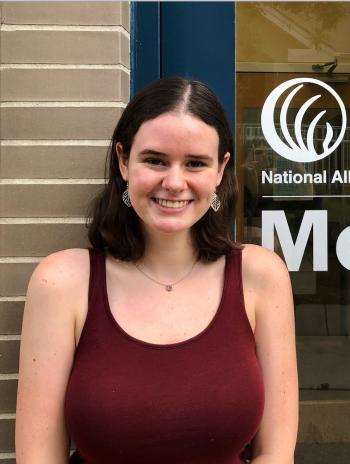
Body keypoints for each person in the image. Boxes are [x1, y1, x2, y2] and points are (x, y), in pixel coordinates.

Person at [15, 76, 298, 464]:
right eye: (155, 160)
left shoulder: (261, 276)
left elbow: (276, 455)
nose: (174, 182)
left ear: (220, 170)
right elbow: (39, 458)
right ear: (123, 161)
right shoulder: (63, 282)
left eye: (196, 163)